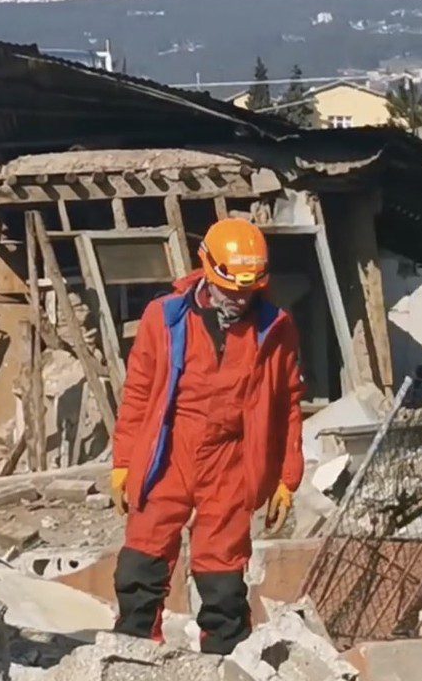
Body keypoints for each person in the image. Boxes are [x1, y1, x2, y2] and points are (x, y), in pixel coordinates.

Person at [109, 217, 304, 654]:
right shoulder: (164, 318)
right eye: (231, 286)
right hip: (170, 449)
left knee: (222, 573)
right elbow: (138, 393)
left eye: (249, 288)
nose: (240, 297)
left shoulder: (276, 328)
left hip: (232, 457)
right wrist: (123, 462)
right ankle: (134, 653)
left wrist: (287, 478)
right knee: (143, 556)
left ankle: (225, 660)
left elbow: (289, 403)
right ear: (208, 269)